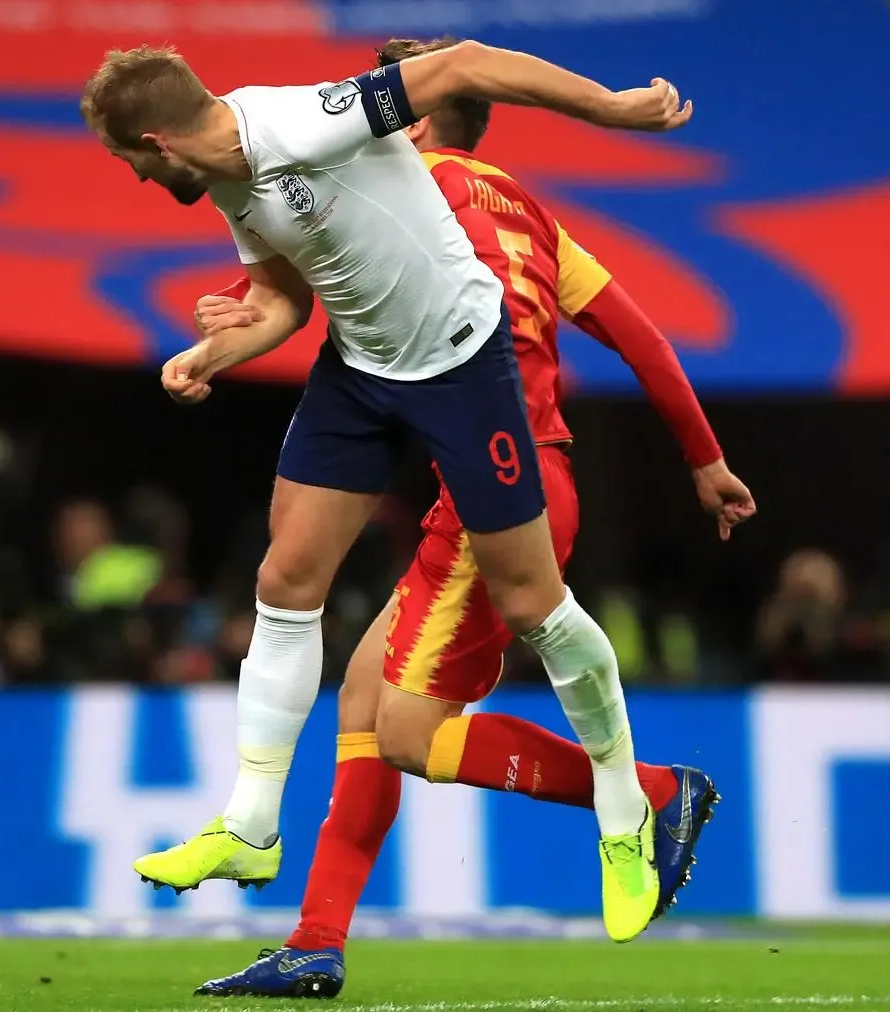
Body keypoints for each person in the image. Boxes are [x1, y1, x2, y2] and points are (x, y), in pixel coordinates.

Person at [83, 39, 696, 941]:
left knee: (534, 602)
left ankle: (625, 803)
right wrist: (212, 353)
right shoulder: (225, 180)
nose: (135, 178)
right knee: (286, 579)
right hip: (361, 370)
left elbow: (464, 65)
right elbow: (284, 299)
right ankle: (251, 824)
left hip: (459, 363)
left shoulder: (300, 120)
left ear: (158, 141)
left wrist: (610, 108)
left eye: (129, 160)